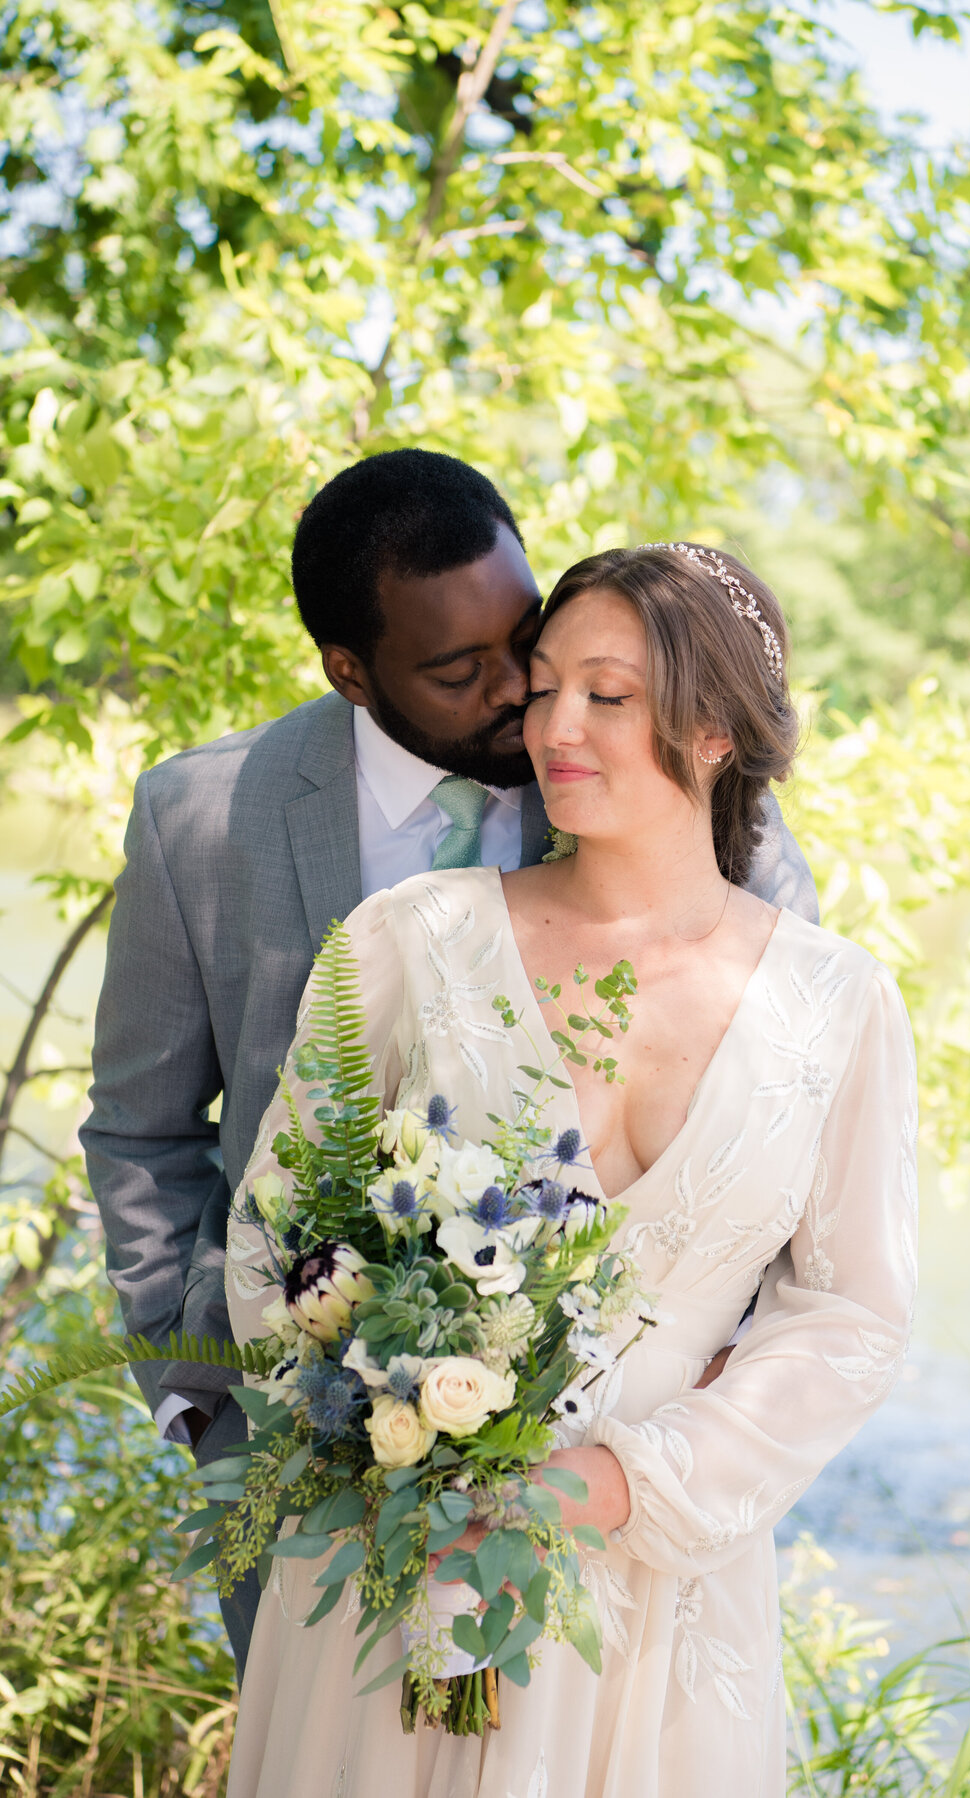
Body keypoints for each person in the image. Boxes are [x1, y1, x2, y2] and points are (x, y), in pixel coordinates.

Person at [82, 455, 820, 1680]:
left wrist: (724, 1387)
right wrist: (200, 1397)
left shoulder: (651, 775)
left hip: (618, 1471)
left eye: (520, 638)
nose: (518, 695)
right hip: (294, 1446)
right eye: (455, 671)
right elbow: (140, 1131)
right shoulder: (196, 817)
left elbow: (789, 1086)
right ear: (350, 669)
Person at [224, 543, 918, 1798]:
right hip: (406, 1567)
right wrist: (400, 1429)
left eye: (607, 692)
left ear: (713, 728)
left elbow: (852, 1315)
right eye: (543, 688)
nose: (553, 725)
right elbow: (277, 1235)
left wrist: (623, 1482)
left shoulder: (840, 1004)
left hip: (660, 1592)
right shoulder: (412, 938)